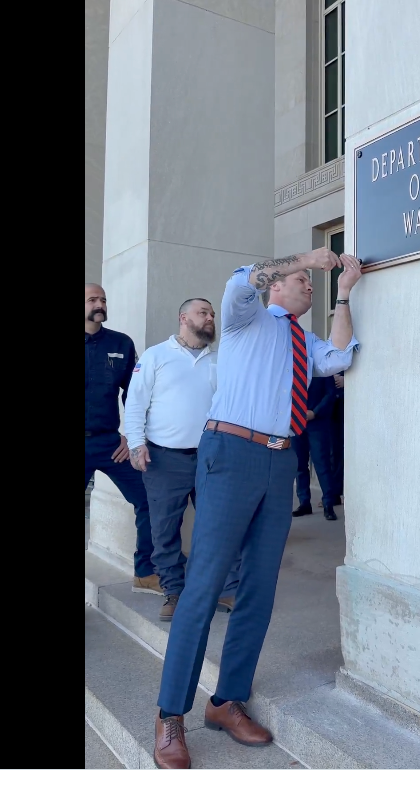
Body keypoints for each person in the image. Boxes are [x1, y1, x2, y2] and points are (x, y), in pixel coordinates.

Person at [151, 248, 363, 769]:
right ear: (276, 287)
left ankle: (226, 702)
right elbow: (243, 276)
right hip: (231, 452)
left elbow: (339, 357)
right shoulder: (246, 315)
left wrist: (342, 293)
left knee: (260, 588)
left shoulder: (302, 339)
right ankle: (170, 714)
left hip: (278, 463)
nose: (308, 285)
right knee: (204, 586)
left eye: (311, 282)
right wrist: (306, 256)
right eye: (302, 281)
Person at [122, 298, 242, 622]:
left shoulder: (219, 360)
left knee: (219, 525)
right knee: (164, 530)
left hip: (212, 458)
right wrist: (136, 445)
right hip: (164, 460)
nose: (210, 318)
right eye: (203, 313)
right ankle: (174, 592)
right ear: (183, 318)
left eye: (212, 314)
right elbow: (135, 404)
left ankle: (229, 589)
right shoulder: (156, 356)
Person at [84, 283, 161, 596]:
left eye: (102, 298)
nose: (100, 303)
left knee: (149, 499)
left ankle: (146, 572)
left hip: (109, 444)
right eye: (92, 299)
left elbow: (136, 394)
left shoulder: (121, 343)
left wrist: (132, 435)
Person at [292, 373, 340, 520]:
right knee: (299, 466)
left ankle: (328, 504)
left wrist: (315, 412)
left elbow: (330, 393)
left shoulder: (322, 368)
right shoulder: (291, 368)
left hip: (317, 423)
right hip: (295, 423)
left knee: (322, 464)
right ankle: (304, 503)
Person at [330, 372, 345, 502]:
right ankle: (334, 492)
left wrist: (347, 381)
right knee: (333, 451)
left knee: (341, 451)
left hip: (346, 404)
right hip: (330, 407)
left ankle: (337, 492)